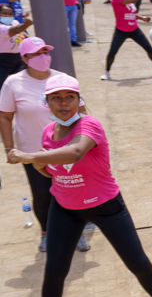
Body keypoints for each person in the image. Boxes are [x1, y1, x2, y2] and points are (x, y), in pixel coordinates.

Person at [8, 73, 152, 297]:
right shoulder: (48, 133)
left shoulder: (89, 125)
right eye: (56, 98)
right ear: (47, 103)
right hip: (65, 209)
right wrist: (40, 161)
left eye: (69, 97)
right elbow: (48, 171)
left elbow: (76, 152)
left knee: (138, 262)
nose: (63, 103)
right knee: (54, 271)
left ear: (79, 101)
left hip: (106, 207)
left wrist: (31, 157)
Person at [1, 36, 90, 252]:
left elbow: (82, 111)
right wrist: (9, 147)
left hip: (65, 149)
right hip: (31, 151)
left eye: (45, 52)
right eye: (36, 54)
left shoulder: (62, 79)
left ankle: (76, 232)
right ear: (25, 58)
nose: (43, 57)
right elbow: (5, 117)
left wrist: (86, 139)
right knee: (42, 194)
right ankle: (46, 233)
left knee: (73, 190)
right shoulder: (13, 83)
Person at [101, 0, 152, 81]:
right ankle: (107, 72)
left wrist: (142, 18)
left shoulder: (127, 1)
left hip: (134, 29)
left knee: (149, 48)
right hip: (120, 31)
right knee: (112, 52)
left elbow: (132, 13)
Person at [0, 4, 29, 86]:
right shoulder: (1, 28)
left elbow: (21, 32)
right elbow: (15, 30)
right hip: (2, 61)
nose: (7, 16)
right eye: (4, 13)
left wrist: (29, 39)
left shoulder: (14, 22)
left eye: (10, 14)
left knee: (22, 84)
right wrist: (25, 25)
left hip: (17, 59)